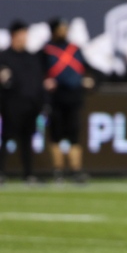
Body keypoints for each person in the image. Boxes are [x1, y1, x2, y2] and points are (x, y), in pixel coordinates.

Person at [43, 17, 94, 183]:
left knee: (74, 136)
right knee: (56, 136)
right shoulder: (46, 51)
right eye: (61, 28)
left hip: (74, 98)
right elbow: (38, 73)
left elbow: (88, 69)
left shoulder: (74, 49)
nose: (64, 31)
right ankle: (58, 171)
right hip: (55, 99)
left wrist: (90, 80)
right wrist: (44, 82)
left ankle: (76, 171)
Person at [0, 20, 46, 184]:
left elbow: (38, 81)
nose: (24, 38)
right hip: (11, 104)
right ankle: (1, 172)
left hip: (30, 105)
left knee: (27, 141)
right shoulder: (4, 57)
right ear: (14, 35)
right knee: (6, 138)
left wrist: (40, 101)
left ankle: (28, 174)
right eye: (21, 34)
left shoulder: (32, 57)